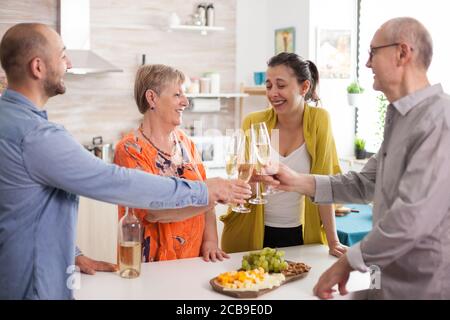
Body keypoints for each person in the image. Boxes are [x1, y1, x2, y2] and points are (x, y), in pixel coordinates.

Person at [0, 23, 251, 300]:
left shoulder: (10, 121)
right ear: (38, 67)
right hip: (29, 288)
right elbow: (116, 182)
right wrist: (206, 190)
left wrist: (73, 254)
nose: (69, 63)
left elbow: (28, 205)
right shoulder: (38, 136)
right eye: (62, 55)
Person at [263, 17, 450, 299]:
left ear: (402, 53)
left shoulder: (440, 120)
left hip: (424, 286)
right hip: (383, 280)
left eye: (373, 52)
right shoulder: (400, 118)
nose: (367, 64)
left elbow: (411, 217)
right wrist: (299, 181)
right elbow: (365, 182)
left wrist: (349, 260)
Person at [221, 52, 347, 257]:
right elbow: (247, 187)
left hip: (300, 233)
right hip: (253, 231)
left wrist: (333, 241)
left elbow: (325, 184)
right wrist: (247, 182)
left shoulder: (319, 121)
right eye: (269, 86)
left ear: (304, 87)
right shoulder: (253, 122)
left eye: (281, 85)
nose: (273, 93)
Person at [114, 64, 228, 262]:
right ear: (152, 98)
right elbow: (154, 211)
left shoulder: (186, 143)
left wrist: (211, 242)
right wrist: (213, 196)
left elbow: (206, 191)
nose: (185, 101)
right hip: (152, 267)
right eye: (177, 95)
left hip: (195, 261)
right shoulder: (130, 150)